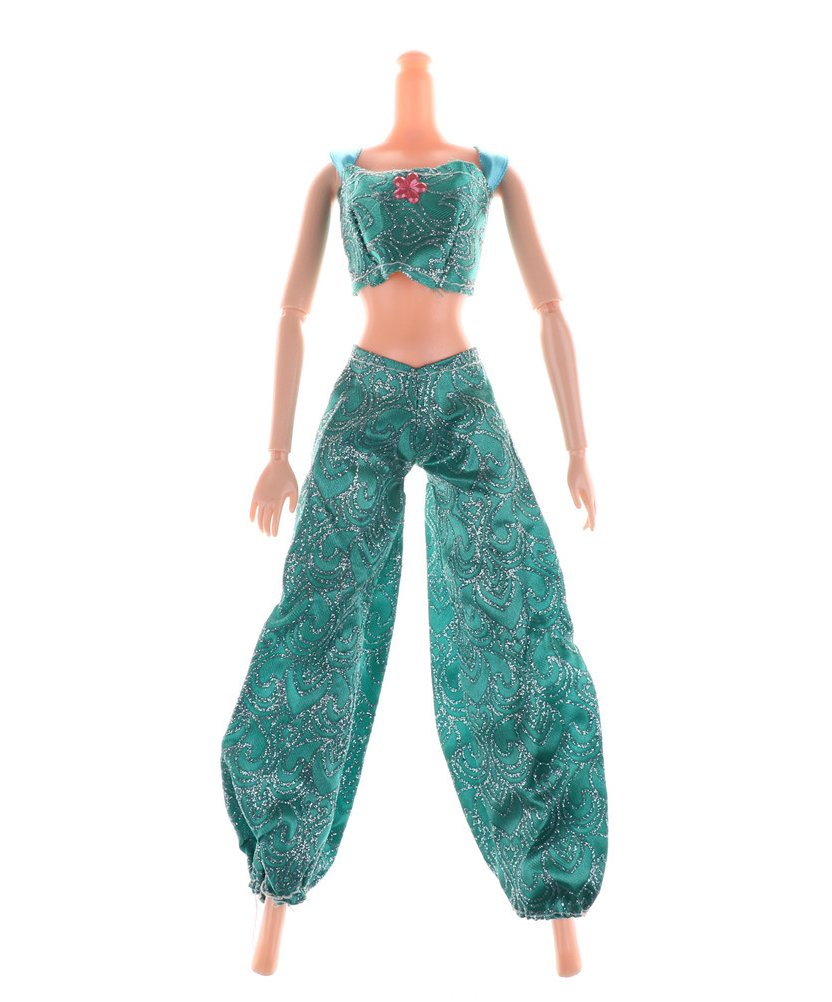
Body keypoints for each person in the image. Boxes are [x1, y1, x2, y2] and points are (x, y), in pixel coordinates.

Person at [220, 51, 608, 978]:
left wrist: (578, 448)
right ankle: (278, 883)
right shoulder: (338, 173)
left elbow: (551, 308)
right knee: (322, 618)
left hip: (461, 393)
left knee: (512, 613)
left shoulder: (490, 172)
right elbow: (290, 313)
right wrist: (276, 452)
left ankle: (555, 889)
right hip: (366, 394)